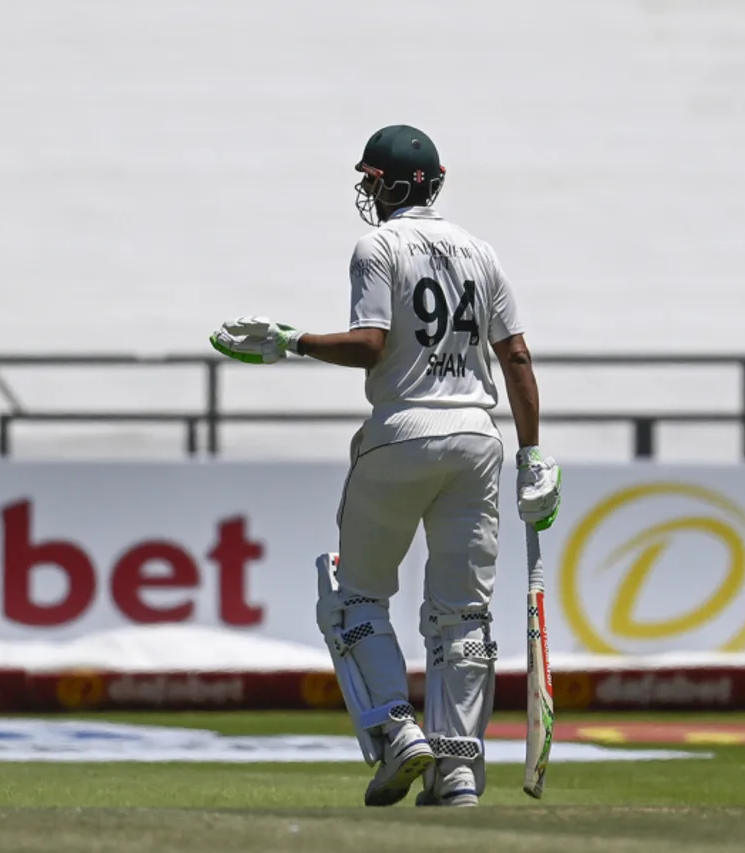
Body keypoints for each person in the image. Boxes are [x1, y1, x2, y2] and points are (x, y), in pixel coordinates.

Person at [209, 125, 561, 807]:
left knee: (353, 593)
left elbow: (372, 345)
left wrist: (292, 341)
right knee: (463, 612)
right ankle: (458, 764)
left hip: (401, 430)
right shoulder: (481, 251)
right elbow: (515, 355)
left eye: (373, 180)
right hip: (476, 440)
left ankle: (398, 732)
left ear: (398, 185)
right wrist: (534, 454)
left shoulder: (378, 247)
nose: (368, 191)